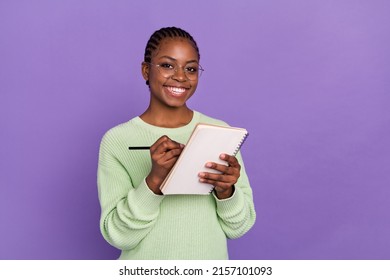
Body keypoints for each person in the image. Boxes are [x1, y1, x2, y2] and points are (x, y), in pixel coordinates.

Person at [97, 26, 256, 260]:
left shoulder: (220, 132)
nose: (180, 76)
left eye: (190, 69)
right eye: (167, 65)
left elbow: (239, 227)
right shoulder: (118, 140)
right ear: (145, 70)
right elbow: (118, 236)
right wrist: (154, 181)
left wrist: (226, 192)